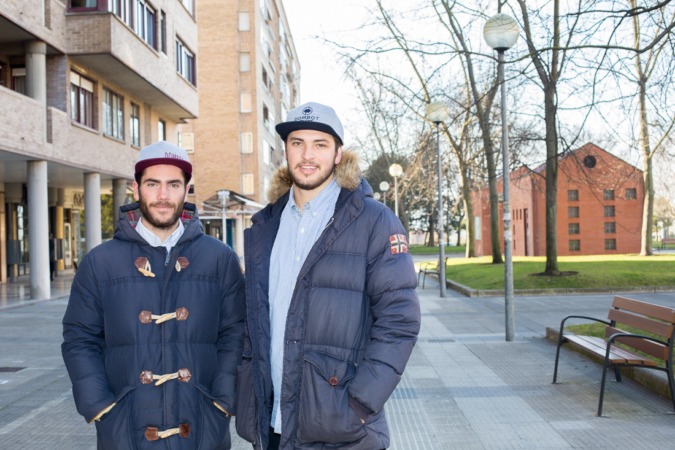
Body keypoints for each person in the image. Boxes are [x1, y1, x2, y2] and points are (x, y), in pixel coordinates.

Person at [235, 102, 421, 449]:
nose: (307, 155)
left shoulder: (373, 221)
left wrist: (361, 403)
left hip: (341, 429)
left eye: (320, 144)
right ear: (285, 150)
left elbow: (400, 321)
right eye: (297, 143)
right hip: (272, 424)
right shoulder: (265, 226)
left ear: (338, 154)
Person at [62, 141, 245, 449]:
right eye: (152, 184)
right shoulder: (100, 262)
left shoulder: (220, 258)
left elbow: (237, 334)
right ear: (136, 188)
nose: (163, 195)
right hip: (126, 430)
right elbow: (79, 339)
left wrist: (223, 402)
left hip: (202, 427)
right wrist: (103, 408)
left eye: (173, 184)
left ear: (187, 190)